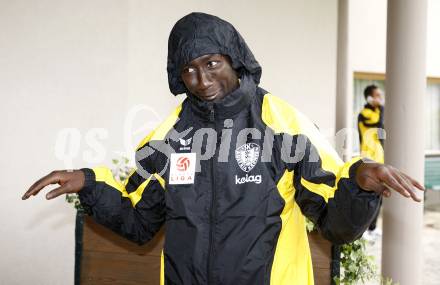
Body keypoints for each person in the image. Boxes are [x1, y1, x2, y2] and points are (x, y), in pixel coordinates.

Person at [23, 13, 423, 285]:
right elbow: (138, 221)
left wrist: (359, 183)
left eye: (211, 63)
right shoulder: (170, 135)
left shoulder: (283, 125)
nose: (201, 79)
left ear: (234, 58)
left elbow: (335, 222)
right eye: (188, 70)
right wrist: (89, 184)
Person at [358, 84, 385, 240]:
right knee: (368, 197)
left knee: (378, 197)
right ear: (368, 97)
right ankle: (364, 230)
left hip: (378, 159)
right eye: (376, 96)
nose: (379, 99)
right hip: (368, 160)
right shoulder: (365, 114)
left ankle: (372, 228)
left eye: (380, 96)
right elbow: (380, 126)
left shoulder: (376, 112)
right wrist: (382, 108)